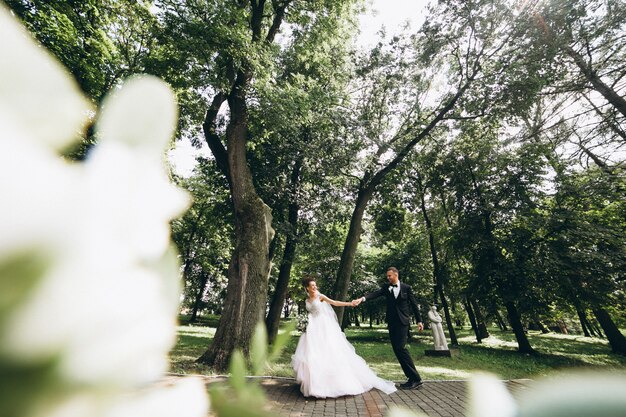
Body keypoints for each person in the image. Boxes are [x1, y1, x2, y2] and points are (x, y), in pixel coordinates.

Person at [291, 277, 397, 398]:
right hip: (311, 328)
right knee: (311, 353)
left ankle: (329, 385)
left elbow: (335, 303)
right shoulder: (307, 299)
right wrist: (304, 323)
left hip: (323, 327)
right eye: (312, 286)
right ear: (307, 288)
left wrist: (349, 303)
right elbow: (310, 313)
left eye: (315, 285)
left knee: (328, 351)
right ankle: (313, 385)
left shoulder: (320, 296)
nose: (315, 287)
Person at [353, 267, 424, 389]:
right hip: (392, 323)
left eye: (389, 276)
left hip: (403, 322)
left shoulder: (407, 288)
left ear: (396, 275)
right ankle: (412, 378)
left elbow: (413, 304)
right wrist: (362, 299)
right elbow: (375, 294)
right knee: (397, 350)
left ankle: (416, 379)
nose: (388, 278)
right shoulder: (386, 288)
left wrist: (419, 321)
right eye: (387, 276)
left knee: (400, 348)